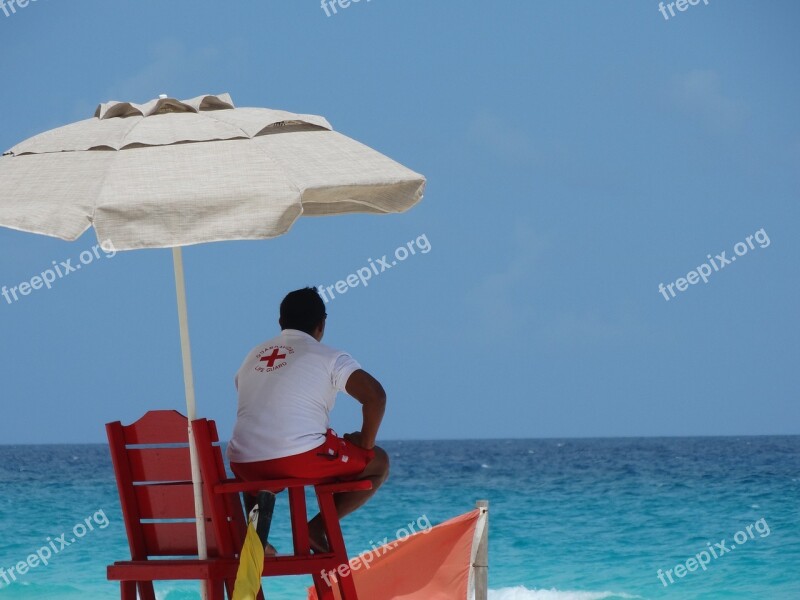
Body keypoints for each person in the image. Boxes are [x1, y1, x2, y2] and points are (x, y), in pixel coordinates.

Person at [227, 287, 389, 553]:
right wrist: (365, 444)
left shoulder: (254, 355)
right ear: (322, 324)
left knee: (254, 449)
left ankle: (257, 539)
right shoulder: (330, 357)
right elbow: (376, 397)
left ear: (281, 322)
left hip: (245, 466)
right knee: (378, 462)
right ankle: (316, 527)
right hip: (299, 460)